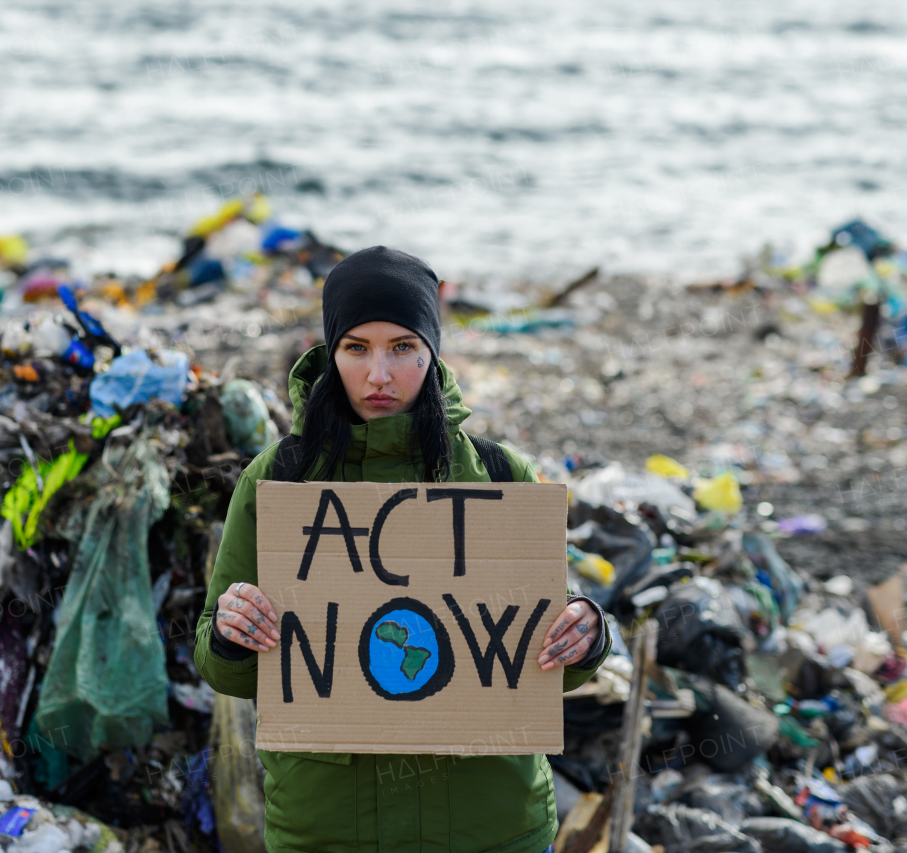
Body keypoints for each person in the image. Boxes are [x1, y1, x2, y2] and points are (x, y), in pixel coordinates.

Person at [195, 246, 612, 853]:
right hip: (329, 830)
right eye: (356, 348)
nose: (379, 375)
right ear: (331, 353)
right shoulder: (278, 479)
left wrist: (586, 634)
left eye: (403, 348)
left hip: (489, 828)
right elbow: (216, 657)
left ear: (432, 353)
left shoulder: (499, 474)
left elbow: (548, 650)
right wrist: (233, 631)